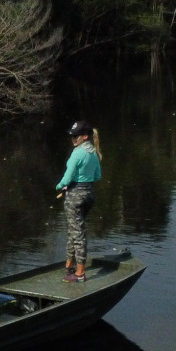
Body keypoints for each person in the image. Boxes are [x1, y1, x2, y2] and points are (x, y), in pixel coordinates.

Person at [54, 121, 102, 283]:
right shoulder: (93, 153)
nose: (73, 139)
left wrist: (59, 186)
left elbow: (67, 178)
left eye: (76, 136)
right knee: (74, 229)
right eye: (72, 136)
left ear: (85, 137)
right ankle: (69, 265)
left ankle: (80, 272)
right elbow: (97, 176)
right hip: (89, 194)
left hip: (75, 195)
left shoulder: (77, 153)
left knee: (77, 233)